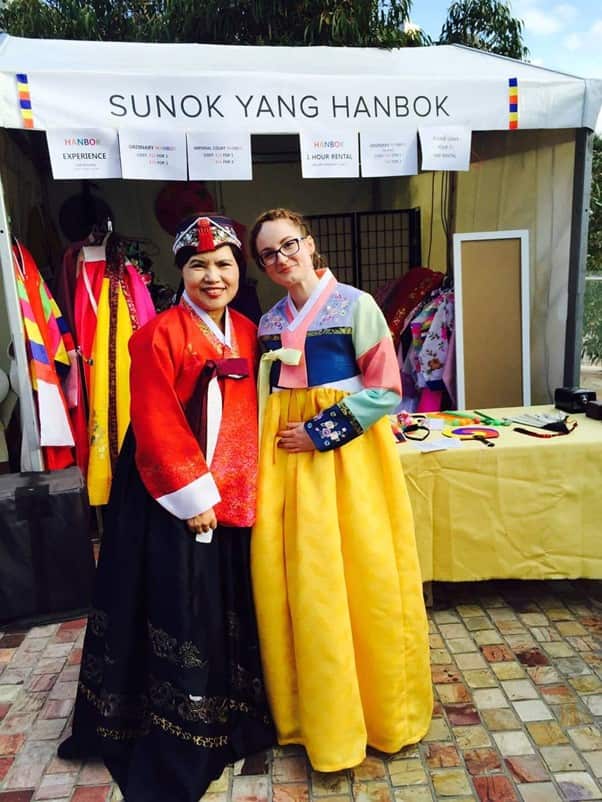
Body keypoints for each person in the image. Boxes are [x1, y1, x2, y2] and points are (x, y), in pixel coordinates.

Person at [58, 215, 275, 801]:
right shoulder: (155, 335)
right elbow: (154, 419)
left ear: (239, 272)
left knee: (226, 596)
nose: (213, 275)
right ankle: (182, 718)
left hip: (236, 490)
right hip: (169, 490)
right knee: (178, 597)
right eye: (199, 265)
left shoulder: (251, 333)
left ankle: (230, 705)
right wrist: (193, 497)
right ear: (181, 272)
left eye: (225, 264)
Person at [249, 208, 432, 772]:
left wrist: (319, 430)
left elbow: (385, 389)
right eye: (268, 254)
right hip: (287, 463)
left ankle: (381, 713)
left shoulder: (357, 305)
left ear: (309, 242)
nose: (281, 259)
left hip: (348, 458)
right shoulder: (268, 322)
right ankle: (317, 715)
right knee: (305, 580)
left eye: (288, 245)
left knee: (363, 573)